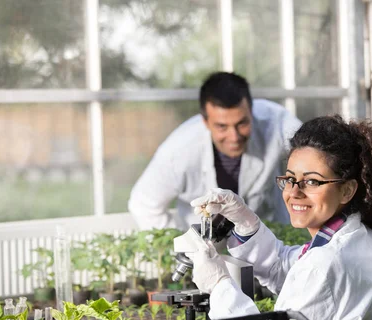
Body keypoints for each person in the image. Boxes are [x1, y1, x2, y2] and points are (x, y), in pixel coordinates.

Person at [188, 115, 372, 320]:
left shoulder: (324, 262)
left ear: (347, 190)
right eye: (290, 179)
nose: (294, 192)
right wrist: (245, 222)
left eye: (312, 181)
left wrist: (218, 286)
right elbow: (285, 268)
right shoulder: (358, 237)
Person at [128, 71, 302, 231]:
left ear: (251, 111)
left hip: (268, 242)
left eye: (242, 123)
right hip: (205, 247)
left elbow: (312, 157)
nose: (234, 137)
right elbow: (143, 204)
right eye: (221, 126)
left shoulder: (276, 123)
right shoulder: (178, 151)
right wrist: (184, 249)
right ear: (205, 122)